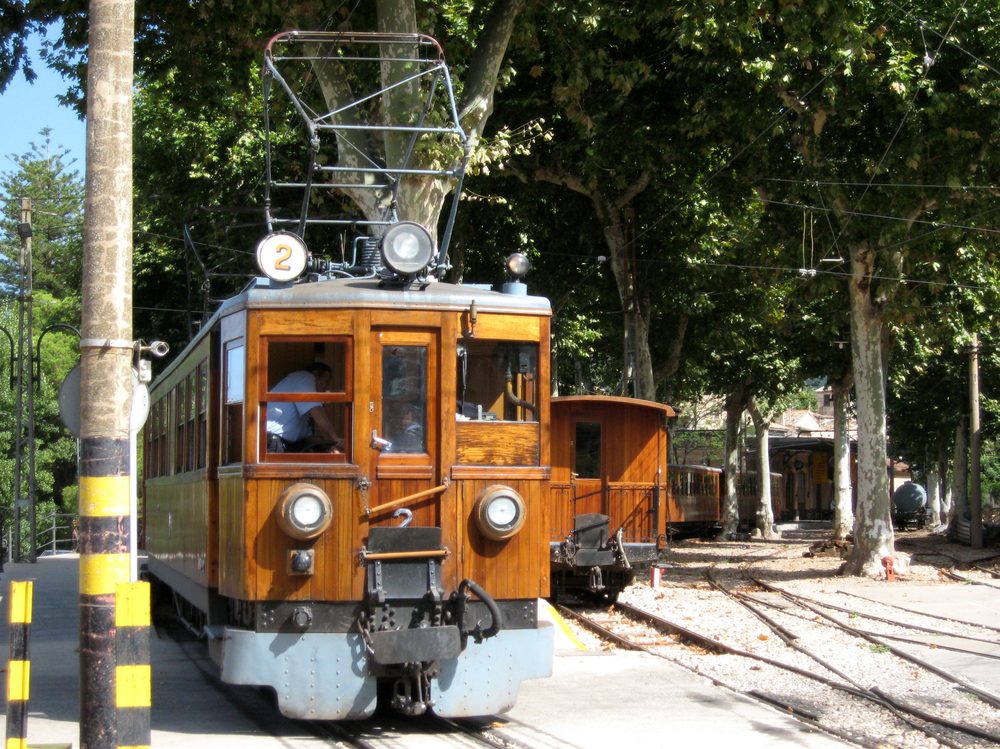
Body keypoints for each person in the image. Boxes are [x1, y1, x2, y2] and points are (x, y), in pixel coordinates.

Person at [266, 362, 344, 452]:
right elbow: (317, 412)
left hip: (287, 445)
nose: (327, 387)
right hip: (274, 443)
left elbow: (304, 435)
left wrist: (326, 444)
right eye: (326, 381)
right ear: (315, 374)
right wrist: (335, 437)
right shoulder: (305, 377)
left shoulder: (304, 400)